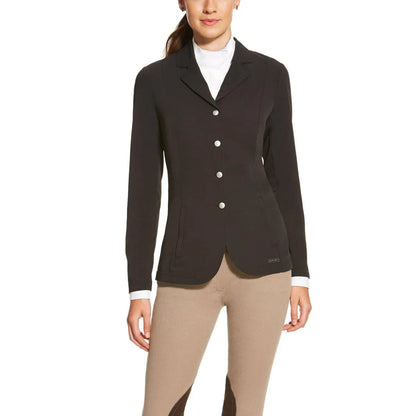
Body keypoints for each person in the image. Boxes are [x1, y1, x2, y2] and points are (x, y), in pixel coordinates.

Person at [125, 1, 312, 415]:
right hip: (185, 268)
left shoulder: (271, 75)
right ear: (181, 2)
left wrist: (300, 273)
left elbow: (284, 177)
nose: (210, 6)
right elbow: (143, 188)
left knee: (246, 408)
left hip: (265, 266)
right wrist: (138, 288)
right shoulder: (154, 81)